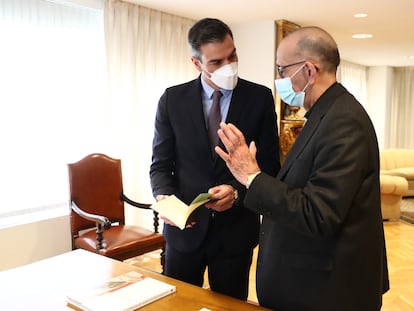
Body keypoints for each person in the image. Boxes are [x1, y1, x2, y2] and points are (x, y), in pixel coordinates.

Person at [215, 26, 389, 310]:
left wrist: (253, 176)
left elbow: (319, 214)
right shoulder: (325, 114)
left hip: (329, 291)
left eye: (282, 70)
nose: (279, 79)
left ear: (308, 71)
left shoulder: (343, 121)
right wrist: (249, 182)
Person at [149, 18, 280, 300]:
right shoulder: (172, 100)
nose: (228, 66)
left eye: (232, 56)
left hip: (235, 232)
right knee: (179, 305)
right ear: (197, 64)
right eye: (216, 62)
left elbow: (270, 166)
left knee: (231, 305)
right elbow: (160, 165)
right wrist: (164, 200)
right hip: (185, 231)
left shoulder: (260, 99)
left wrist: (236, 190)